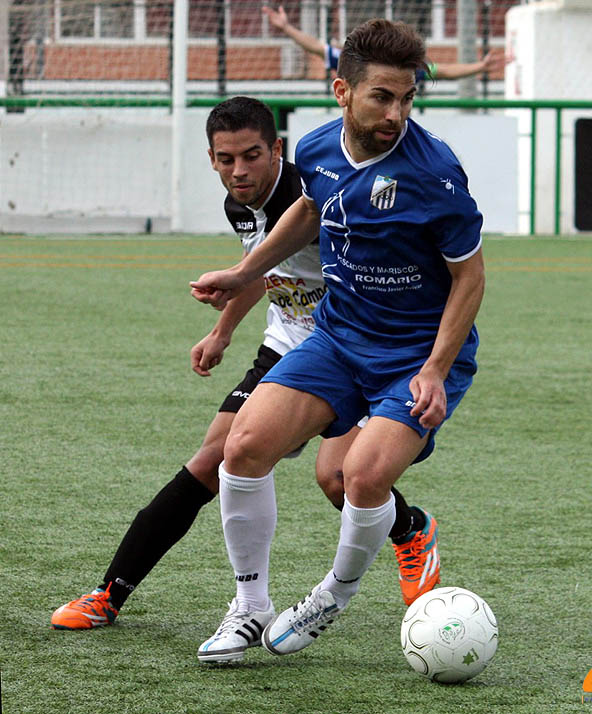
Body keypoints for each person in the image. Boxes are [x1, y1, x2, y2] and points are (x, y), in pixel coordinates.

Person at [50, 96, 440, 642]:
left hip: (347, 345)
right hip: (285, 344)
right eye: (225, 159)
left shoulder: (320, 193)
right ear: (210, 158)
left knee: (337, 480)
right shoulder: (240, 203)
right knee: (216, 458)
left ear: (276, 149)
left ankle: (410, 528)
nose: (239, 171)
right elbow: (261, 268)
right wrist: (224, 330)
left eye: (252, 155)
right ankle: (109, 595)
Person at [191, 19, 484, 658]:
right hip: (338, 337)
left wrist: (434, 369)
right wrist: (245, 271)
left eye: (407, 98)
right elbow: (308, 209)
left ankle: (332, 597)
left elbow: (470, 278)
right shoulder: (320, 148)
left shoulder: (435, 173)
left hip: (413, 354)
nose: (397, 112)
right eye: (382, 96)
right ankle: (249, 608)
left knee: (359, 477)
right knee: (240, 446)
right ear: (342, 91)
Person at [262, 4, 510, 83]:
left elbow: (443, 70)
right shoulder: (351, 61)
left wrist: (479, 67)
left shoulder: (408, 69)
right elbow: (316, 47)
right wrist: (286, 28)